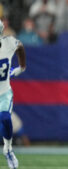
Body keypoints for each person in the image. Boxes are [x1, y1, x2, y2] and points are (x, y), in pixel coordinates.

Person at [0, 20, 26, 169]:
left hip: (3, 92)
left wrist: (22, 67)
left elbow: (20, 46)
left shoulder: (9, 43)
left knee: (5, 117)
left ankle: (8, 149)